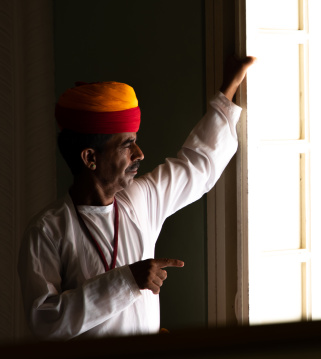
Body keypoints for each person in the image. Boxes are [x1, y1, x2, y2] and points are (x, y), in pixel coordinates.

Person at [17, 56, 255, 340]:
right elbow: (45, 320)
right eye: (127, 144)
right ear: (90, 157)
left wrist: (228, 93)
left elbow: (196, 166)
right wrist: (127, 280)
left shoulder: (140, 199)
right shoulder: (47, 230)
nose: (139, 154)